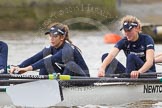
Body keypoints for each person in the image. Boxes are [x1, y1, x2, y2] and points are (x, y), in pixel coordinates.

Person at [10, 22, 90, 77]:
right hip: (67, 76)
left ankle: (61, 88)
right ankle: (42, 86)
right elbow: (34, 58)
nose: (51, 39)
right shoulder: (52, 47)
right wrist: (18, 67)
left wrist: (26, 69)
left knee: (70, 65)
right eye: (50, 36)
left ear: (62, 37)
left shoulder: (67, 49)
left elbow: (49, 60)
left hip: (83, 79)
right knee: (45, 66)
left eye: (55, 36)